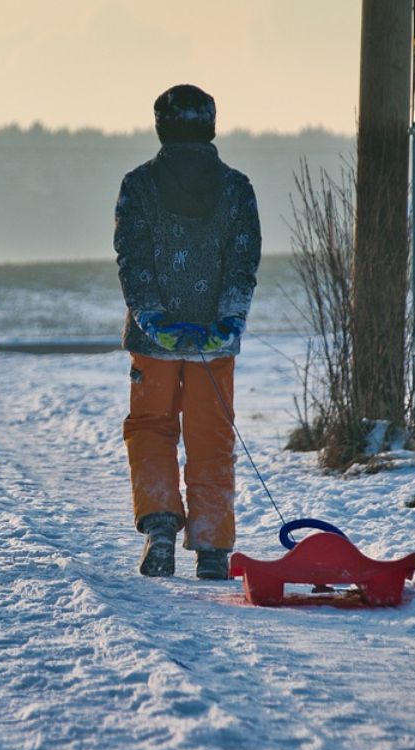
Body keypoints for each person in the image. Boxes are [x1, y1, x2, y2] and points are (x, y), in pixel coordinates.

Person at [113, 84, 261, 579]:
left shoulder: (137, 185)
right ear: (211, 126)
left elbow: (132, 261)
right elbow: (243, 262)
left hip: (154, 342)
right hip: (214, 343)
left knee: (151, 428)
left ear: (161, 127)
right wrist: (229, 319)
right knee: (211, 437)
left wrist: (152, 317)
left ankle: (160, 528)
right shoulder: (237, 188)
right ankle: (213, 548)